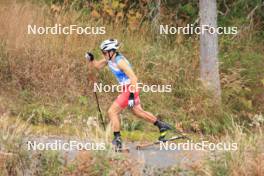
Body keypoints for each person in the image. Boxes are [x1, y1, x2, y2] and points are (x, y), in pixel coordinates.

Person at [85, 39, 171, 150]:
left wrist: (131, 96)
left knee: (112, 112)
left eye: (105, 52)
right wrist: (91, 59)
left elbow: (134, 78)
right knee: (137, 112)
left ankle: (117, 140)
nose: (104, 54)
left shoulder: (120, 62)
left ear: (112, 51)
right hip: (127, 88)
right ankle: (161, 125)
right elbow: (96, 66)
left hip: (130, 88)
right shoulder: (109, 59)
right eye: (102, 52)